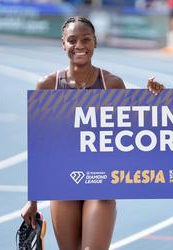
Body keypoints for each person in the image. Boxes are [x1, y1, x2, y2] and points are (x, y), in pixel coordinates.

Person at [21, 16, 164, 250]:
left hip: (101, 183)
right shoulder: (47, 85)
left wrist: (155, 100)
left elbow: (133, 132)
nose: (79, 46)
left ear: (95, 42)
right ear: (63, 44)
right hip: (62, 183)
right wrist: (32, 200)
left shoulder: (112, 84)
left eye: (86, 39)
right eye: (72, 40)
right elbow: (40, 147)